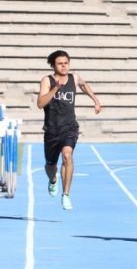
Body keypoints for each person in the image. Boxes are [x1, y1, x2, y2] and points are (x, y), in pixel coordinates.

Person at [36, 50, 102, 210]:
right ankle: (53, 180)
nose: (64, 66)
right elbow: (40, 104)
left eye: (66, 63)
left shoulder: (74, 77)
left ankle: (66, 195)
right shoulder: (47, 80)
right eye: (60, 63)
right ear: (53, 66)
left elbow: (83, 85)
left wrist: (95, 100)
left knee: (67, 156)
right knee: (50, 166)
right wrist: (55, 89)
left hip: (69, 127)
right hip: (52, 130)